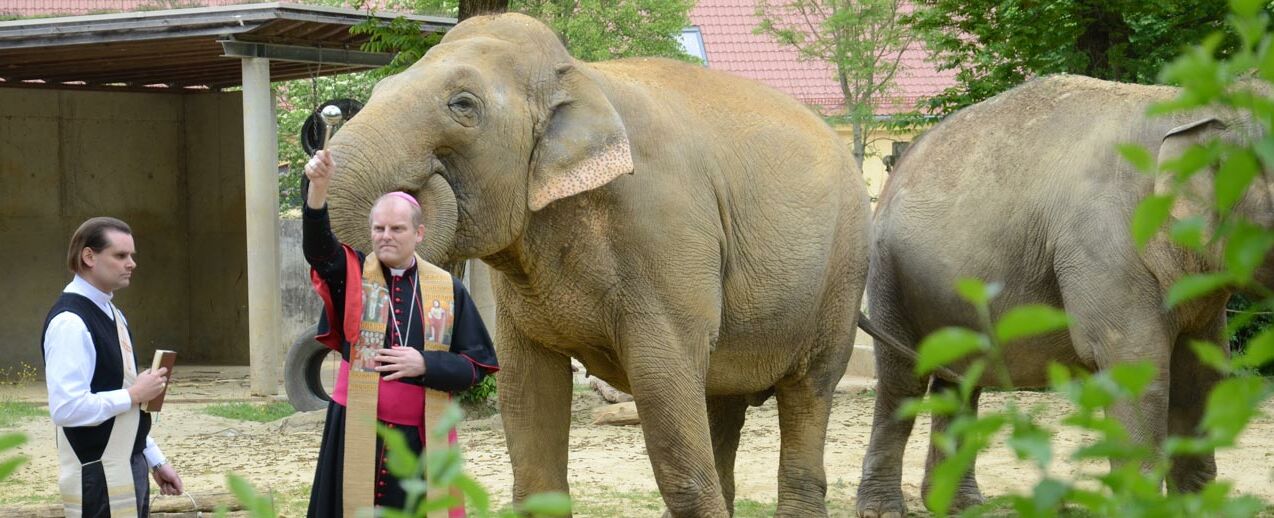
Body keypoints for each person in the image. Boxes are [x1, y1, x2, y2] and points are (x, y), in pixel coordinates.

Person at [302, 149, 499, 516]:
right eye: (379, 228)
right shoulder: (354, 275)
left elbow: (477, 365)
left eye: (397, 229)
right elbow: (318, 251)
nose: (385, 236)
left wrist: (424, 363)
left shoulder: (447, 288)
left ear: (418, 233)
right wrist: (318, 190)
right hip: (355, 429)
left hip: (420, 437)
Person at [42, 217, 184, 517]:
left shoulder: (112, 312)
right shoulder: (70, 322)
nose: (131, 263)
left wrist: (153, 459)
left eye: (131, 255)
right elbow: (66, 408)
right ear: (89, 256)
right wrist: (133, 395)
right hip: (95, 473)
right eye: (120, 255)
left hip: (127, 465)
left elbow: (121, 402)